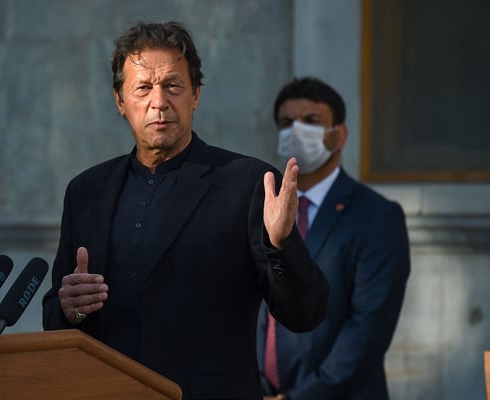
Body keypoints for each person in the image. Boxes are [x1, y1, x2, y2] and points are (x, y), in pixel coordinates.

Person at [42, 21, 329, 399]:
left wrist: (281, 243)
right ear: (120, 101)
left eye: (173, 86)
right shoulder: (86, 191)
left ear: (195, 95)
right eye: (142, 88)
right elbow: (57, 318)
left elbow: (304, 313)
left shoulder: (249, 184)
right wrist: (69, 308)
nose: (158, 102)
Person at [257, 77, 410, 399]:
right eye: (287, 122)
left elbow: (367, 330)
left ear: (339, 134)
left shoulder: (377, 217)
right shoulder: (261, 209)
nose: (297, 131)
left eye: (311, 121)